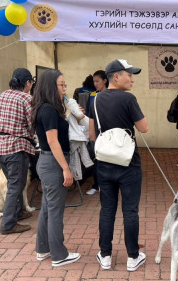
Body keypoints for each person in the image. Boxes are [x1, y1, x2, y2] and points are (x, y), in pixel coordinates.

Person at [89, 59, 148, 272]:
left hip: (104, 162)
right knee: (130, 210)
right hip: (128, 162)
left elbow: (92, 134)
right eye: (128, 75)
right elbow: (144, 127)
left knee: (107, 209)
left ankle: (105, 255)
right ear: (116, 76)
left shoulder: (94, 100)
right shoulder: (129, 99)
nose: (132, 79)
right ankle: (133, 257)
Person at [32, 69, 81, 267]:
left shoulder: (46, 108)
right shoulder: (49, 110)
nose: (64, 89)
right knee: (55, 212)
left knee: (47, 208)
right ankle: (59, 254)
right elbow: (53, 142)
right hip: (53, 163)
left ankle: (43, 248)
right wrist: (66, 169)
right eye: (62, 85)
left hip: (48, 163)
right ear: (51, 86)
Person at [0, 68, 35, 235]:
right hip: (16, 147)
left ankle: (18, 213)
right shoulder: (26, 98)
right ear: (27, 83)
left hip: (0, 146)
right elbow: (32, 123)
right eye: (31, 83)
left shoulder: (2, 95)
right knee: (15, 185)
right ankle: (8, 224)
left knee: (14, 183)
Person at [85, 69, 109, 195]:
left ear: (105, 81)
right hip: (97, 132)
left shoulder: (112, 95)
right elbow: (90, 117)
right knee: (97, 160)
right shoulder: (93, 95)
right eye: (94, 81)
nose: (95, 84)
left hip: (109, 132)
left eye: (97, 81)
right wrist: (91, 135)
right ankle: (96, 185)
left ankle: (108, 185)